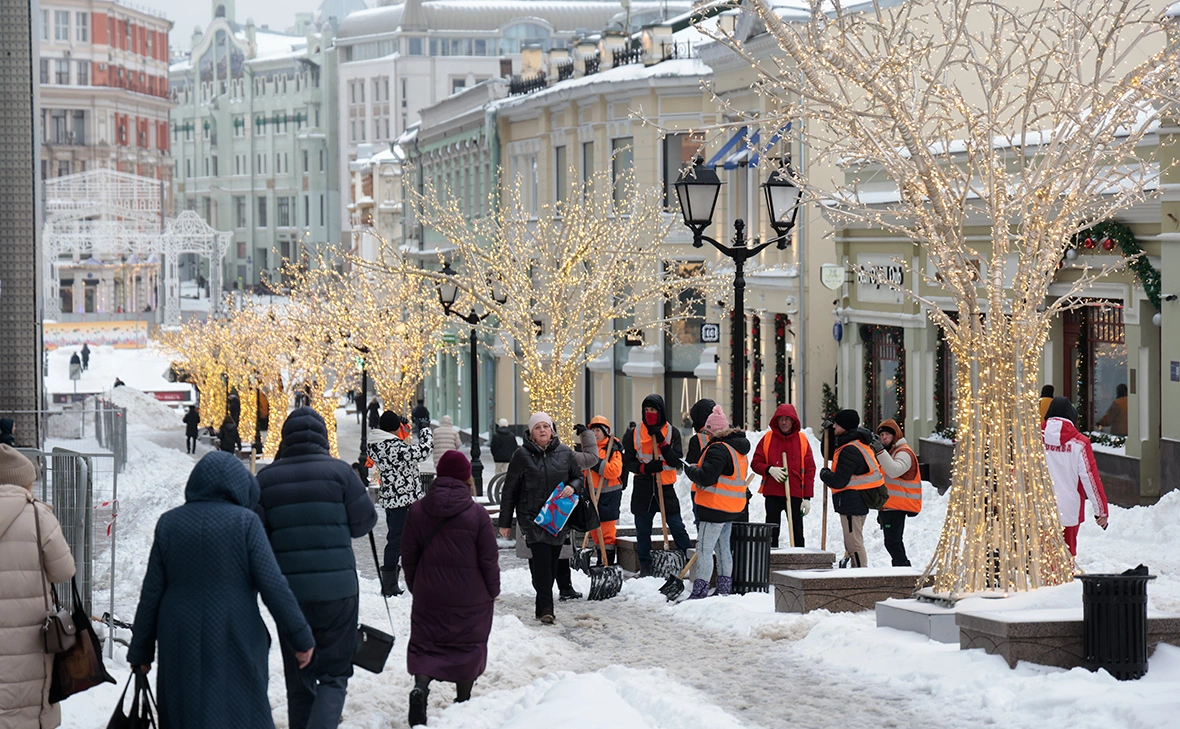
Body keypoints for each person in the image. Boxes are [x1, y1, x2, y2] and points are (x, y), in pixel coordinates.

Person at [128, 452, 315, 728]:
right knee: (240, 712)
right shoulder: (245, 523)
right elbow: (274, 585)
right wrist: (301, 639)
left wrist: (141, 652)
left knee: (184, 713)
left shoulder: (169, 523)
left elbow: (151, 594)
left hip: (179, 637)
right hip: (235, 631)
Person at [255, 407, 378, 729]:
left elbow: (255, 536)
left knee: (299, 678)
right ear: (324, 437)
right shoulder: (341, 473)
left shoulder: (266, 479)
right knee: (334, 675)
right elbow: (364, 523)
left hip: (289, 596)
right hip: (339, 593)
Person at [402, 451, 500, 727]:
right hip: (471, 596)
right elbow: (488, 559)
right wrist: (493, 590)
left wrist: (416, 586)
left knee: (426, 643)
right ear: (466, 477)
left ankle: (421, 687)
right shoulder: (477, 514)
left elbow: (408, 555)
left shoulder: (418, 509)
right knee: (467, 645)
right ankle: (463, 701)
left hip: (429, 593)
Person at [0, 446, 75, 728]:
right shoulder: (38, 516)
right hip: (29, 636)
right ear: (22, 481)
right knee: (26, 705)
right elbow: (64, 571)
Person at [496, 412, 584, 623]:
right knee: (543, 562)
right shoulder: (521, 455)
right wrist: (505, 522)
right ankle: (546, 609)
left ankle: (541, 602)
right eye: (538, 427)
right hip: (532, 518)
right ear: (531, 433)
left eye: (546, 426)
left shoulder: (565, 453)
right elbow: (510, 490)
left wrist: (573, 486)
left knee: (550, 564)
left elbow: (578, 476)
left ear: (552, 430)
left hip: (557, 518)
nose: (543, 430)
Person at [683, 405, 749, 598]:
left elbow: (706, 477)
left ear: (713, 430)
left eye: (707, 430)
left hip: (714, 507)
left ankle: (700, 591)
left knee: (704, 548)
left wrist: (690, 469)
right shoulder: (737, 447)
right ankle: (723, 589)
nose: (706, 433)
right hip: (731, 507)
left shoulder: (717, 449)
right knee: (723, 549)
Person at [623, 394, 691, 576]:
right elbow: (627, 461)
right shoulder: (635, 433)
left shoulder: (672, 432)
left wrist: (661, 441)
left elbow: (676, 462)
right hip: (643, 487)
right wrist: (644, 467)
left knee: (676, 526)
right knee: (642, 530)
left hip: (665, 487)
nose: (649, 413)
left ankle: (689, 559)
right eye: (646, 410)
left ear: (660, 411)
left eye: (652, 410)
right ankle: (645, 566)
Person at [369, 410, 434, 597]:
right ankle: (393, 585)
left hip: (394, 500)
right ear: (394, 428)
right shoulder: (393, 447)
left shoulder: (379, 443)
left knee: (398, 540)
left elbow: (402, 445)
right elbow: (423, 451)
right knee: (400, 541)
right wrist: (425, 429)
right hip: (404, 501)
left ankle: (393, 583)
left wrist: (403, 427)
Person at [1042, 397, 1109, 556]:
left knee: (1044, 557)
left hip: (1040, 507)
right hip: (1069, 508)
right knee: (1066, 555)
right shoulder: (1080, 443)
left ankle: (1046, 581)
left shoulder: (1033, 438)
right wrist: (1101, 511)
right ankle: (1064, 581)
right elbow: (1090, 478)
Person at [819, 409, 885, 569]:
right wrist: (826, 434)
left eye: (836, 424)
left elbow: (839, 480)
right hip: (856, 501)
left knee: (854, 543)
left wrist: (824, 474)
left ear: (845, 426)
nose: (834, 426)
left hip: (852, 503)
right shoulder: (853, 443)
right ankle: (857, 572)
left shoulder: (850, 449)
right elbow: (829, 453)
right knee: (852, 541)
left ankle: (861, 575)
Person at [751, 403, 816, 548]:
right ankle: (771, 560)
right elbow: (755, 463)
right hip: (773, 493)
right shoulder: (767, 438)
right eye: (781, 419)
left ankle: (799, 561)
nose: (784, 422)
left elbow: (810, 470)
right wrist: (769, 469)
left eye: (787, 419)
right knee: (772, 531)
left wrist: (806, 497)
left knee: (797, 531)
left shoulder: (802, 440)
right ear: (776, 420)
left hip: (795, 493)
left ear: (793, 421)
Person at [873, 419, 921, 567]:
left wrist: (880, 451)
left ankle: (903, 571)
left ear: (896, 436)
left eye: (888, 434)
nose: (884, 438)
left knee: (892, 542)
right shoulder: (890, 452)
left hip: (899, 505)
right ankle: (902, 570)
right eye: (881, 435)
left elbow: (894, 471)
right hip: (890, 506)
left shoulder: (904, 452)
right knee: (892, 542)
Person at [584, 416, 624, 565]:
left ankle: (607, 563)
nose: (595, 433)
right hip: (592, 495)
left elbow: (614, 471)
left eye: (598, 430)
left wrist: (593, 462)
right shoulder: (588, 449)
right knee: (595, 532)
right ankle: (600, 560)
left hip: (609, 496)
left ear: (605, 431)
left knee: (606, 532)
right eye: (592, 430)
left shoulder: (612, 448)